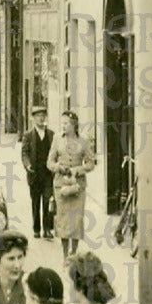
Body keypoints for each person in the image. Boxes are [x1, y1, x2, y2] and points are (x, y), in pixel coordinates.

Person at [47, 110, 95, 263]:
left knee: (76, 221)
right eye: (62, 123)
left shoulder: (84, 141)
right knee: (63, 221)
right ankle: (64, 256)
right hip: (61, 186)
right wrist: (58, 167)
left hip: (77, 187)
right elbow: (49, 162)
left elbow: (90, 163)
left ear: (73, 125)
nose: (63, 126)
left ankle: (73, 254)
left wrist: (77, 170)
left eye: (66, 123)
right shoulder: (57, 139)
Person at [22, 105, 55, 239]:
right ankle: (36, 229)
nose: (41, 119)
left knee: (48, 201)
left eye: (43, 116)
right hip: (34, 174)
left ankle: (47, 229)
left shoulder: (51, 134)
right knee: (36, 202)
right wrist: (28, 165)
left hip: (48, 174)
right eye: (38, 116)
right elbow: (25, 153)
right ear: (33, 119)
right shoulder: (28, 135)